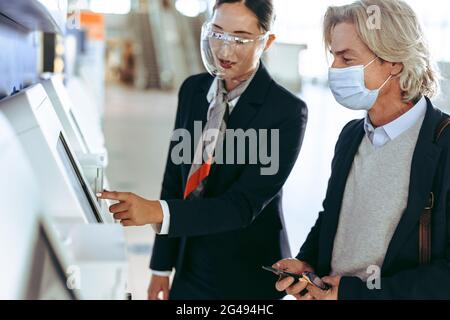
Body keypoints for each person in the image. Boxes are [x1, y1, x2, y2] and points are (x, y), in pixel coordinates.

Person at [98, 0, 308, 299]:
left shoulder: (285, 111)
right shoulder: (194, 91)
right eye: (218, 33)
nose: (224, 51)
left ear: (267, 42)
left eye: (240, 39)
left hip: (246, 276)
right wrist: (161, 267)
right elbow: (176, 178)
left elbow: (242, 205)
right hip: (190, 261)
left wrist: (156, 211)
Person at [274, 0, 450, 300]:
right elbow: (333, 215)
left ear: (394, 61)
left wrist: (357, 294)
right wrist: (307, 264)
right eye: (333, 57)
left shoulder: (443, 145)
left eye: (346, 58)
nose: (334, 69)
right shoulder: (351, 135)